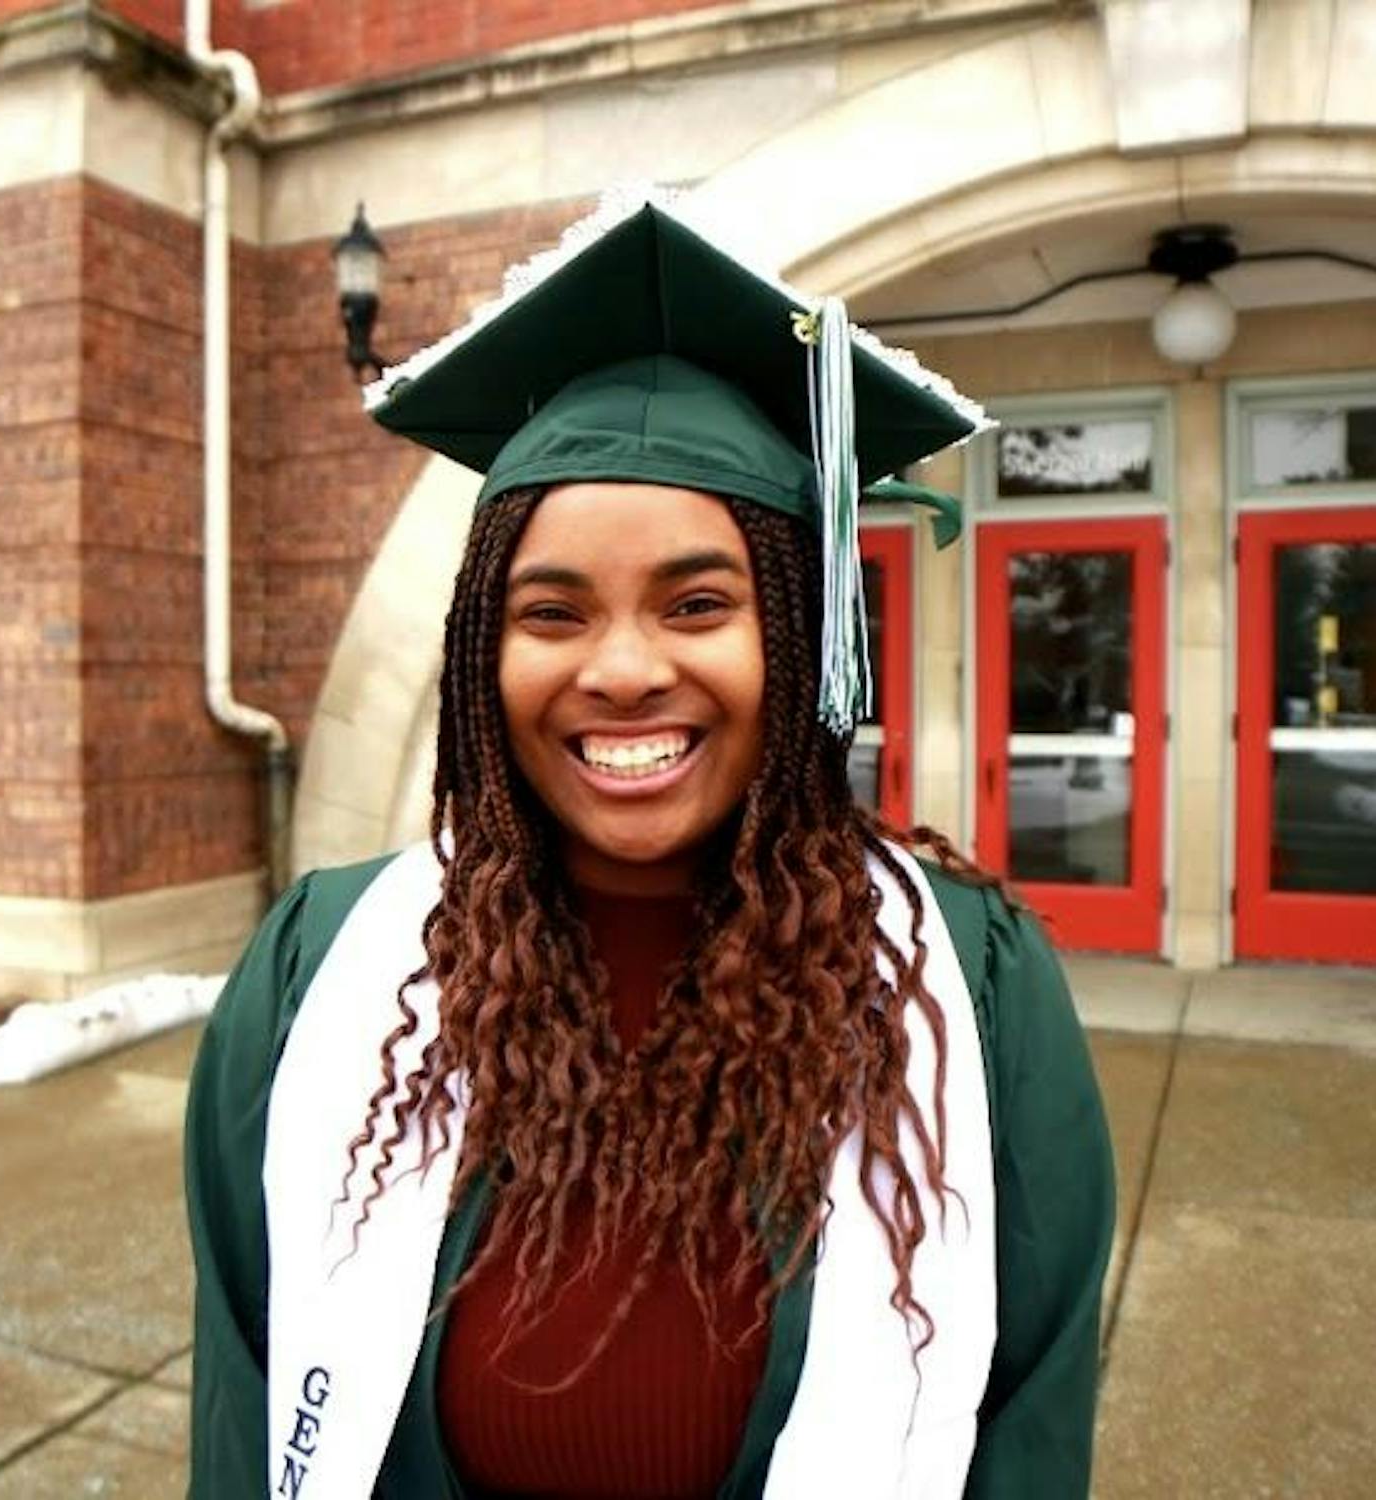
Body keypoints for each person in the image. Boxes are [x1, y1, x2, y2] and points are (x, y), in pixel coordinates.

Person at [184, 198, 1114, 1500]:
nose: (621, 669)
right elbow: (245, 1404)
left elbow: (1026, 1429)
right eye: (551, 611)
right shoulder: (324, 971)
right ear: (481, 659)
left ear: (793, 640)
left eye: (697, 603)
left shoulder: (971, 986)